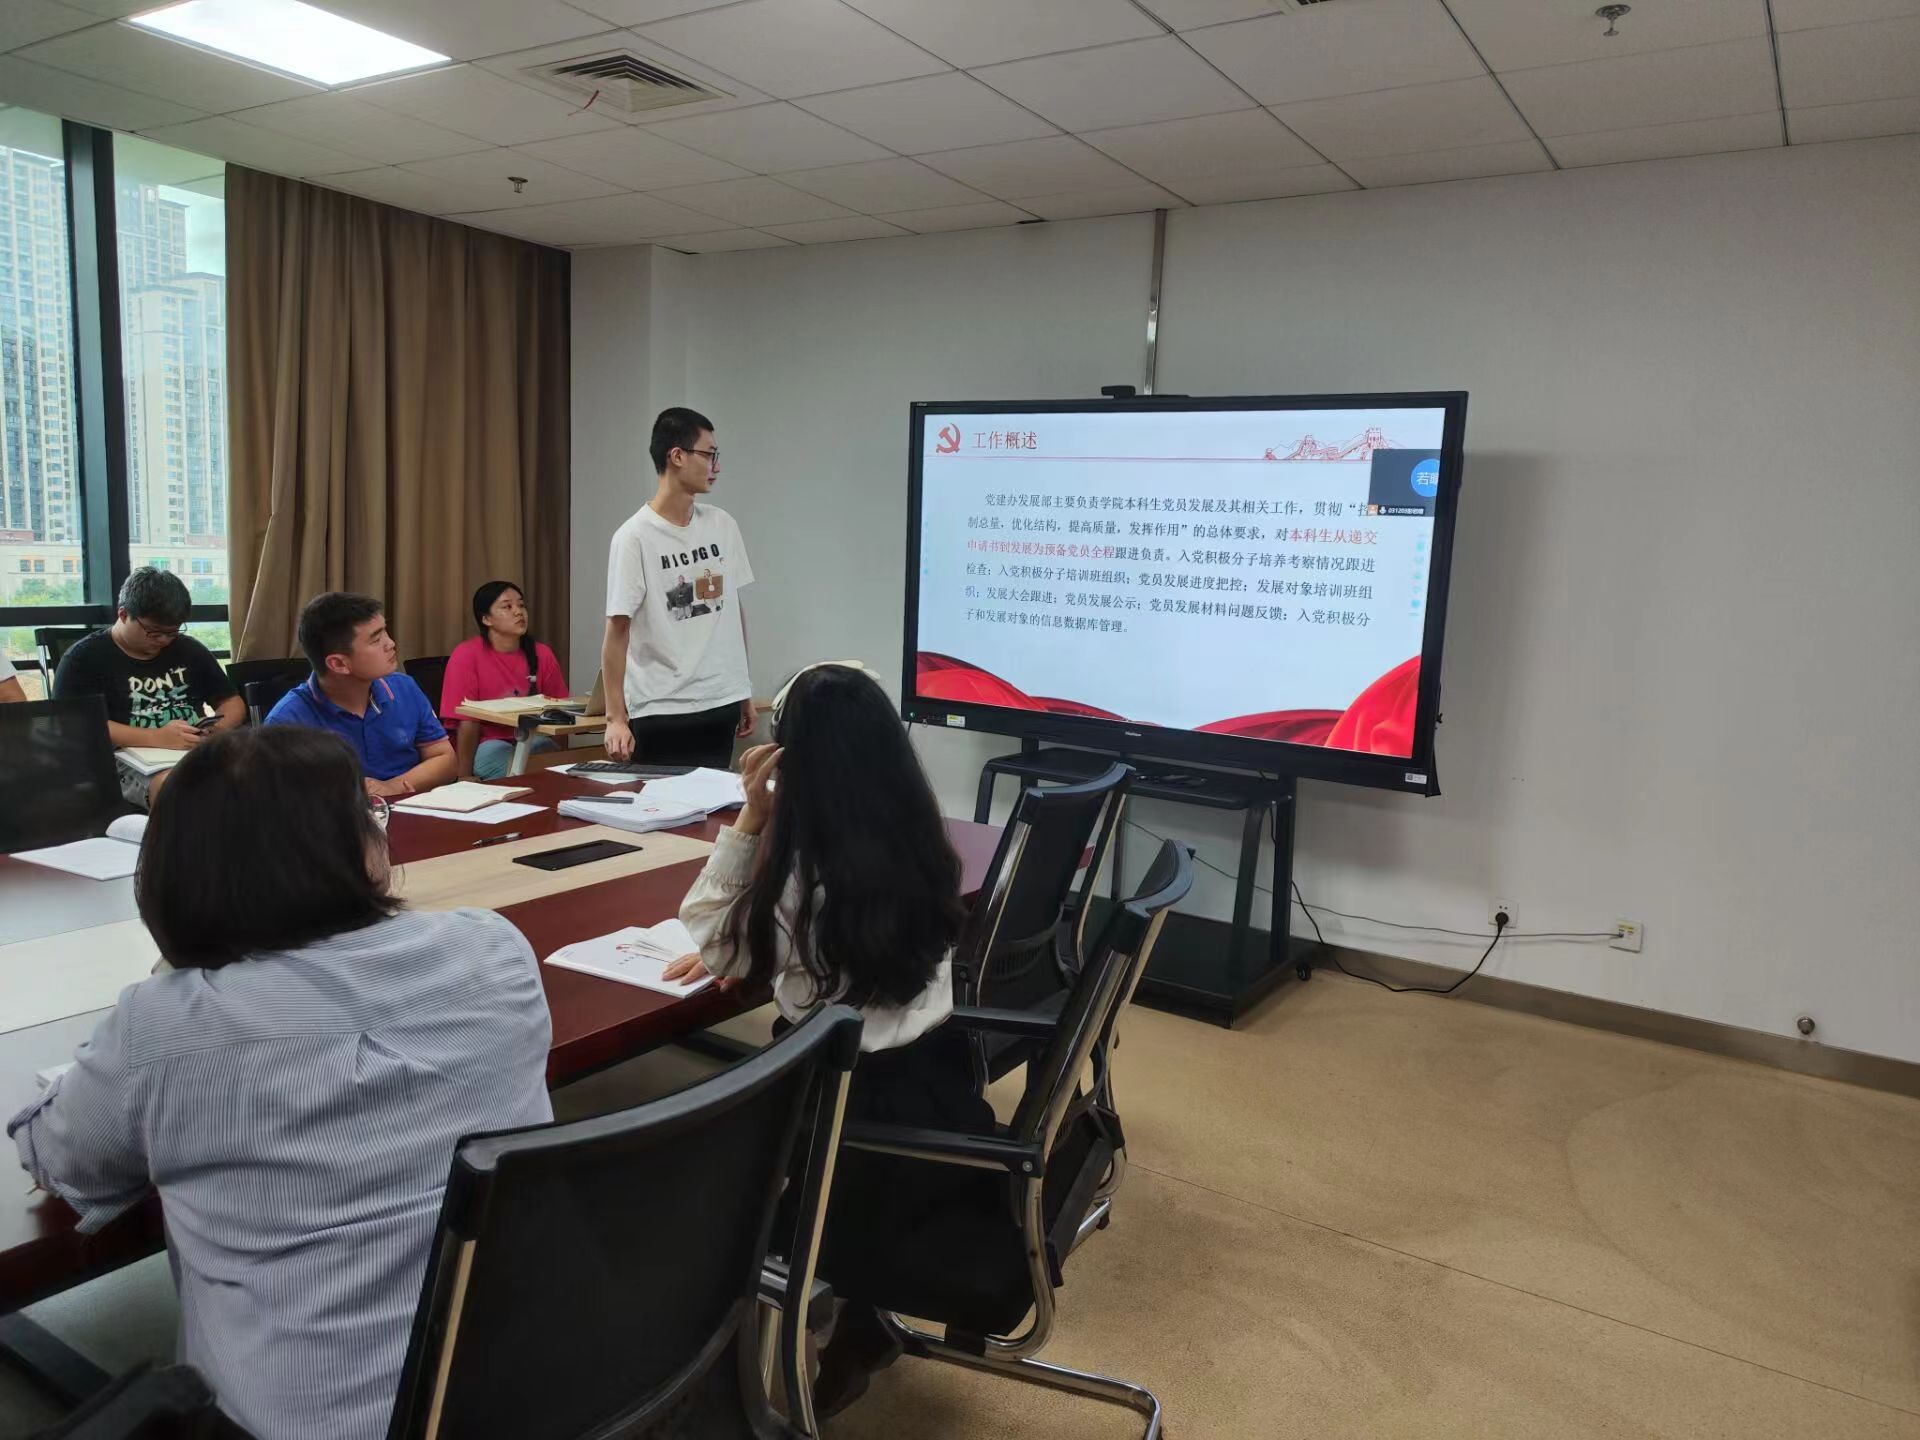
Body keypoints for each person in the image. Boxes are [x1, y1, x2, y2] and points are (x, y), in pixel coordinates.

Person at [7, 726, 552, 1440]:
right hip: (526, 1385)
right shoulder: (495, 949)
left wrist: (171, 983)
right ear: (357, 850)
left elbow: (58, 1160)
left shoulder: (168, 1024)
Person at [668, 661, 994, 1416]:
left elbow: (714, 942)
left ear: (794, 765)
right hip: (936, 1090)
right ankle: (857, 1318)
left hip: (841, 1121)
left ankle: (786, 1337)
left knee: (691, 1181)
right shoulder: (921, 839)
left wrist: (749, 820)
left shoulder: (800, 878)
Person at [601, 406, 757, 768]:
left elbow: (732, 611)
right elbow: (618, 629)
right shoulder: (634, 537)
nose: (716, 466)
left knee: (714, 802)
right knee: (658, 803)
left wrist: (742, 689)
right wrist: (615, 718)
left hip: (720, 702)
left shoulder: (722, 525)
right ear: (677, 456)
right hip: (661, 707)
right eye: (709, 454)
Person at [265, 592, 457, 798]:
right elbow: (279, 799)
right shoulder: (287, 721)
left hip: (410, 808)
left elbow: (445, 759)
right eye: (376, 640)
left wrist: (392, 787)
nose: (390, 643)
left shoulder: (404, 687)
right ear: (338, 663)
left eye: (385, 631)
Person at [53, 567, 243, 749]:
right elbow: (75, 724)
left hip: (192, 751)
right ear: (123, 615)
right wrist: (156, 737)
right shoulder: (84, 658)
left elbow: (231, 702)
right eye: (154, 632)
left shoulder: (189, 650)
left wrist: (216, 730)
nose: (164, 640)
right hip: (123, 758)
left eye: (172, 632)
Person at [440, 580, 569, 779]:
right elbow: (467, 723)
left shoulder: (542, 654)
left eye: (521, 605)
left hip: (532, 739)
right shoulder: (466, 655)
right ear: (486, 619)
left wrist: (562, 760)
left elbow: (559, 714)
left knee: (548, 756)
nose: (519, 612)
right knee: (528, 768)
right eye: (507, 607)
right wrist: (464, 778)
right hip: (487, 744)